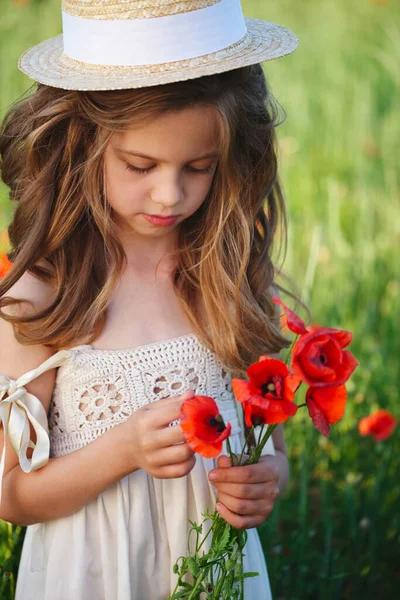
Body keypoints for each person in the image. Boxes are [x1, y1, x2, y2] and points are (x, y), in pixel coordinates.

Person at [0, 1, 298, 598]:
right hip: (92, 575)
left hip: (214, 572)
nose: (171, 193)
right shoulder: (45, 296)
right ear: (81, 147)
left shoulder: (228, 277)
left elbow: (273, 445)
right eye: (140, 165)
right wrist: (123, 449)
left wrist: (268, 478)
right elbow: (12, 496)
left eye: (199, 167)